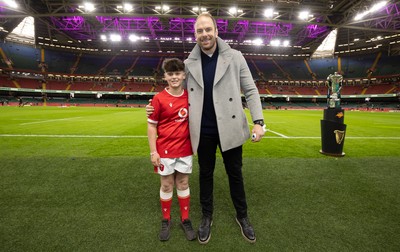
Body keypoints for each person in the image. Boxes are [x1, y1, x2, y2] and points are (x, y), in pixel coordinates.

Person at [147, 12, 265, 244]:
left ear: (216, 31)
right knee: (206, 175)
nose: (204, 34)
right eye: (200, 31)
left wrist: (259, 122)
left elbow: (250, 90)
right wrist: (152, 105)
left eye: (208, 29)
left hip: (230, 126)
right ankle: (206, 217)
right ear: (195, 34)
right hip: (203, 130)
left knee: (235, 174)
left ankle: (243, 216)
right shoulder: (188, 64)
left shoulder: (236, 57)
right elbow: (175, 90)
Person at [147, 58, 196, 242]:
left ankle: (185, 219)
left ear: (184, 75)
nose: (174, 77)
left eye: (177, 73)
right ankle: (166, 219)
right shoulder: (158, 99)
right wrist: (153, 152)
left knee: (183, 184)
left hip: (185, 150)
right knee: (166, 185)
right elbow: (151, 126)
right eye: (170, 74)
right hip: (164, 151)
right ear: (165, 76)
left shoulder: (191, 97)